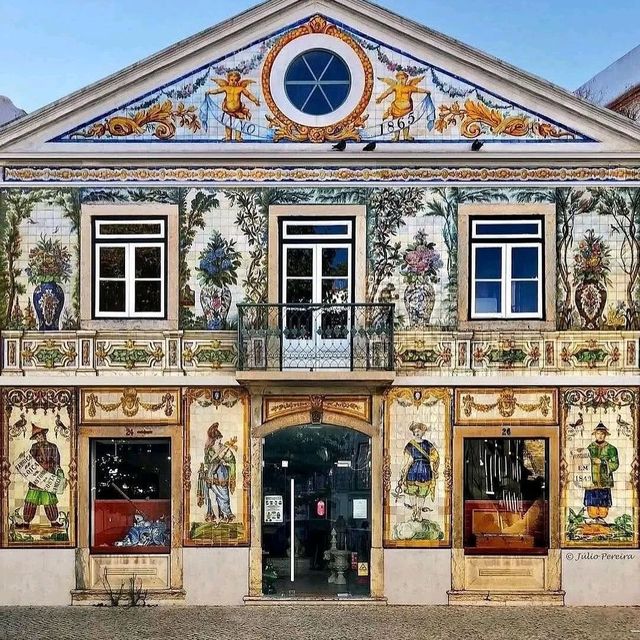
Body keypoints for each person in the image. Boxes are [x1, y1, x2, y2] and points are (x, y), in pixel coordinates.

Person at [16, 424, 64, 529]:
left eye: (40, 435)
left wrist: (58, 470)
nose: (39, 438)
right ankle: (26, 523)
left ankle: (54, 522)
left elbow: (56, 461)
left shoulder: (53, 447)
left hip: (48, 478)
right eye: (37, 437)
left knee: (50, 502)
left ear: (44, 435)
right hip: (36, 479)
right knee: (30, 501)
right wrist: (22, 459)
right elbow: (29, 461)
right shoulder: (34, 447)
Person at [396, 421, 439, 521]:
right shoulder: (410, 445)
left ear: (423, 431)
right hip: (413, 470)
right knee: (412, 492)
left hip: (425, 470)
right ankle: (414, 510)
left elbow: (435, 456)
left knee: (422, 493)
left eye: (418, 431)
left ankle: (419, 511)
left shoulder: (428, 444)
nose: (416, 433)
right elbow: (407, 458)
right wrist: (404, 468)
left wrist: (434, 468)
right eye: (415, 431)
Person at [198, 423, 237, 523]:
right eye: (218, 439)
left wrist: (226, 463)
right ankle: (217, 517)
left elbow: (232, 460)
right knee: (212, 497)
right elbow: (207, 462)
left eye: (220, 439)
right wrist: (206, 470)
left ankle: (226, 514)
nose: (220, 440)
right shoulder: (209, 451)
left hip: (222, 475)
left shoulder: (224, 448)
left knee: (224, 496)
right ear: (214, 439)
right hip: (212, 476)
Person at [376, 71, 431, 141]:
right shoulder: (395, 87)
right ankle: (396, 137)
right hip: (396, 107)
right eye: (399, 79)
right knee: (396, 122)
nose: (401, 81)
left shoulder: (409, 88)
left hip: (406, 109)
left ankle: (406, 136)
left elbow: (418, 90)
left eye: (403, 78)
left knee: (406, 122)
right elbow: (387, 92)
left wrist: (426, 91)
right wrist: (380, 98)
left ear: (406, 79)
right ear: (397, 79)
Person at [207, 70, 260, 141]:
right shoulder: (226, 88)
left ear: (238, 81)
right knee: (228, 123)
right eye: (232, 80)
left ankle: (238, 137)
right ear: (228, 80)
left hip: (238, 110)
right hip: (228, 110)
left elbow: (248, 95)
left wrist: (255, 100)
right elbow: (217, 91)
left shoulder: (240, 89)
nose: (233, 82)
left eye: (236, 80)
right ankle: (228, 136)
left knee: (238, 123)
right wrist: (209, 92)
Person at [584, 422, 619, 522]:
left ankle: (602, 519)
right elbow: (583, 463)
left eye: (602, 434)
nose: (600, 436)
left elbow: (615, 464)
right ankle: (593, 519)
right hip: (592, 480)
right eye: (598, 433)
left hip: (604, 480)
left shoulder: (612, 449)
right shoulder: (589, 448)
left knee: (603, 504)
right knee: (591, 502)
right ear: (595, 434)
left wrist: (603, 462)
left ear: (605, 435)